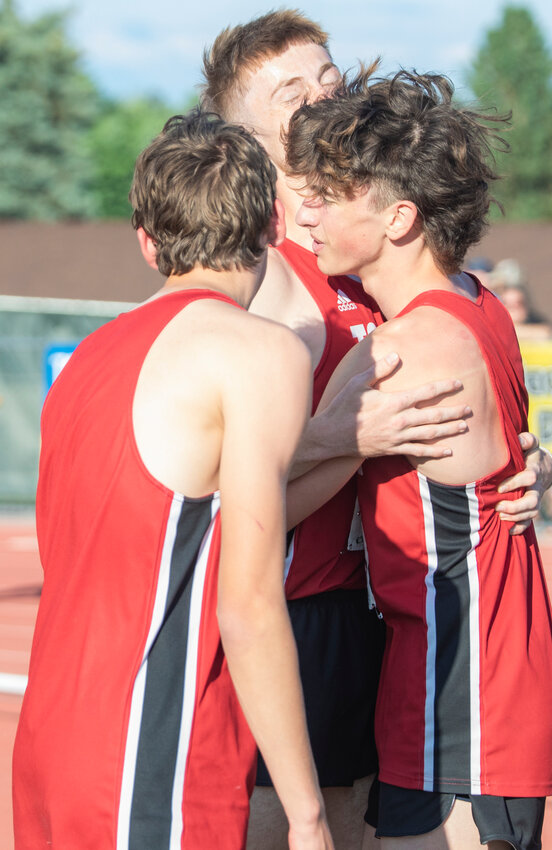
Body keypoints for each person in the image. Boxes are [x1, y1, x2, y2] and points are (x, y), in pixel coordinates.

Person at [201, 11, 552, 848]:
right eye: (294, 92)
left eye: (329, 74)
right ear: (246, 139)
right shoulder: (257, 277)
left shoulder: (393, 265)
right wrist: (342, 437)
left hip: (407, 628)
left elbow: (475, 407)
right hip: (305, 613)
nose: (326, 93)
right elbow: (208, 497)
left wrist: (524, 459)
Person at [12, 110, 334, 850]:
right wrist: (305, 812)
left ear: (146, 240)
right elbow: (246, 602)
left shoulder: (89, 358)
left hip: (53, 744)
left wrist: (347, 444)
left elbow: (190, 532)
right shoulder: (259, 352)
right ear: (271, 227)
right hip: (148, 755)